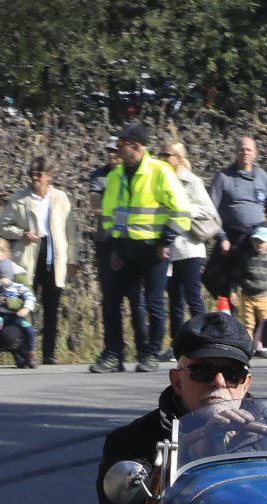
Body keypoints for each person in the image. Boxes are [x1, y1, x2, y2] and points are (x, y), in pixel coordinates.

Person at [96, 311, 267, 504]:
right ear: (177, 381)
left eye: (233, 373)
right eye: (202, 371)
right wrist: (196, 452)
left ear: (245, 384)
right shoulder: (133, 441)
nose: (219, 382)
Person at [92, 121, 189, 374]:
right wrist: (115, 248)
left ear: (135, 146)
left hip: (154, 250)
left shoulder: (160, 171)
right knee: (111, 300)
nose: (117, 149)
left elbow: (181, 211)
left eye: (121, 144)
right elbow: (110, 216)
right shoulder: (115, 176)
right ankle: (114, 354)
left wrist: (165, 241)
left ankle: (150, 354)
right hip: (125, 250)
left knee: (154, 303)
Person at [0, 157, 79, 365]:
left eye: (39, 174)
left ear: (48, 176)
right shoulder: (19, 199)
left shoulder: (60, 198)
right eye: (32, 174)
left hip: (54, 257)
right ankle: (25, 352)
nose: (35, 178)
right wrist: (21, 233)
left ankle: (49, 353)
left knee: (52, 308)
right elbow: (2, 227)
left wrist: (73, 260)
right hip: (28, 259)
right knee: (25, 306)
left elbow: (70, 232)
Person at [90, 136, 147, 362]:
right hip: (106, 243)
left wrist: (115, 208)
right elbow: (95, 206)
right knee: (110, 297)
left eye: (116, 151)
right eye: (109, 151)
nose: (113, 155)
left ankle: (142, 348)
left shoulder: (133, 175)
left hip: (131, 242)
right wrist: (118, 208)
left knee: (136, 298)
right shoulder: (100, 175)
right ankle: (113, 349)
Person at [207, 136, 267, 302]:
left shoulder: (263, 177)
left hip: (257, 238)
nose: (245, 152)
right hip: (231, 238)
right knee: (221, 284)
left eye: (249, 149)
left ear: (255, 153)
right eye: (241, 149)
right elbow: (210, 211)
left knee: (262, 287)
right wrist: (221, 237)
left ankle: (259, 318)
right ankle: (227, 317)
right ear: (235, 152)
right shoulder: (223, 177)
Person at [161, 142, 218, 336]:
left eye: (167, 155)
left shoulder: (192, 181)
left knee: (193, 298)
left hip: (190, 248)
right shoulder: (161, 180)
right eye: (161, 155)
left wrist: (184, 208)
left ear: (178, 158)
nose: (163, 158)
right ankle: (177, 342)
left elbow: (209, 210)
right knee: (174, 300)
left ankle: (203, 338)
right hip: (170, 250)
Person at [233, 226, 267, 352]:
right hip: (247, 296)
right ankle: (248, 347)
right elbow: (237, 276)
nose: (258, 244)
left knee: (265, 322)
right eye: (256, 240)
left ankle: (264, 345)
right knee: (248, 323)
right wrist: (233, 291)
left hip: (265, 296)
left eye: (262, 241)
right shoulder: (247, 258)